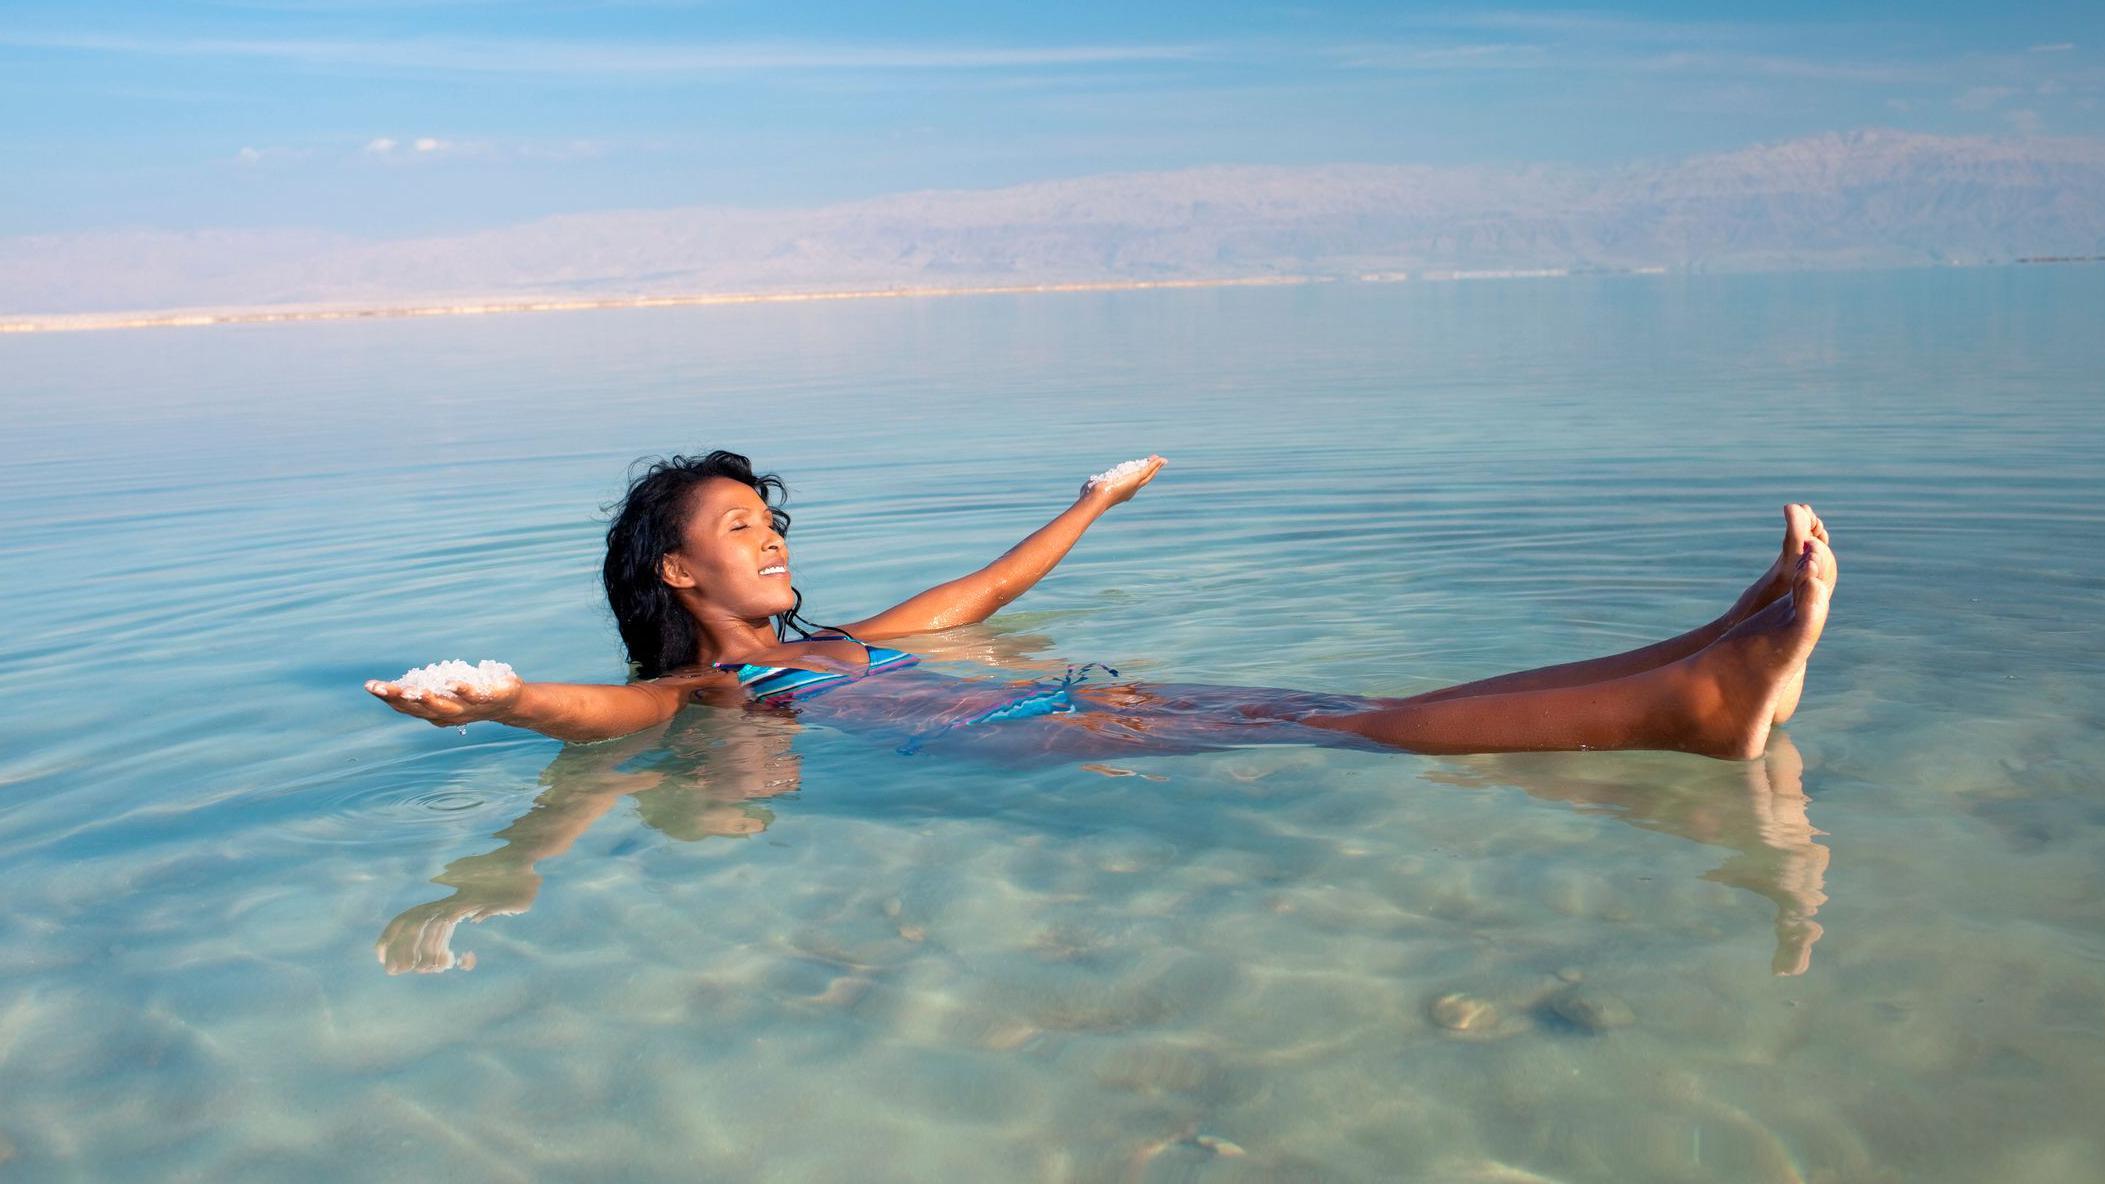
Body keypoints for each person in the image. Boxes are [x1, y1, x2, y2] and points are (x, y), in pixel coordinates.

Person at [366, 451, 1834, 762]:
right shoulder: (715, 690)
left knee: (1328, 716)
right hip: (1012, 735)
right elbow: (600, 709)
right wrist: (494, 699)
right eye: (736, 530)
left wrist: (1090, 501)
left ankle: (1709, 648)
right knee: (1351, 727)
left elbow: (992, 586)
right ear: (679, 574)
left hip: (1061, 694)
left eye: (767, 523)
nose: (766, 541)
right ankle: (1694, 704)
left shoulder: (838, 642)